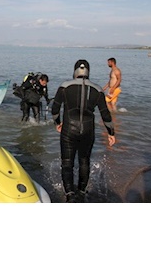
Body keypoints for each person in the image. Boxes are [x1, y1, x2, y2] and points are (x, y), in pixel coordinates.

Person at [51, 60, 116, 203]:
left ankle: (69, 194)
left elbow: (54, 110)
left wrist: (58, 123)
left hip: (69, 129)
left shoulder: (64, 86)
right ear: (88, 72)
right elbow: (105, 114)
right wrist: (111, 133)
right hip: (88, 131)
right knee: (84, 161)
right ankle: (81, 192)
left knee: (67, 163)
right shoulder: (98, 90)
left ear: (75, 71)